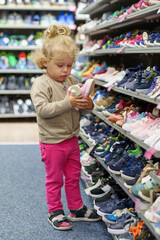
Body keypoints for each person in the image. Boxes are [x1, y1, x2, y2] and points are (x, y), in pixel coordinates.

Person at [30, 24, 101, 231]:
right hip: (52, 143)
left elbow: (81, 110)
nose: (66, 70)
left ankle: (76, 208)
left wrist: (88, 105)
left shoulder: (72, 80)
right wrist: (68, 103)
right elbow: (43, 110)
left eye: (69, 65)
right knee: (54, 180)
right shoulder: (41, 84)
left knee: (73, 176)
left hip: (71, 140)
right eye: (60, 65)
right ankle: (55, 211)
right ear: (45, 62)